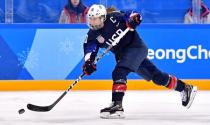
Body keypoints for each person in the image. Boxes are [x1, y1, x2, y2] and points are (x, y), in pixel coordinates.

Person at [83, 4, 197, 119]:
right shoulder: (92, 34)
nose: (92, 21)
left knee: (119, 72)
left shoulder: (113, 17)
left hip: (136, 48)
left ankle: (117, 106)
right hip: (124, 55)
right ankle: (185, 88)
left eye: (95, 19)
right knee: (157, 77)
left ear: (103, 17)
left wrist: (133, 19)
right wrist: (88, 62)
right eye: (90, 18)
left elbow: (130, 15)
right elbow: (90, 49)